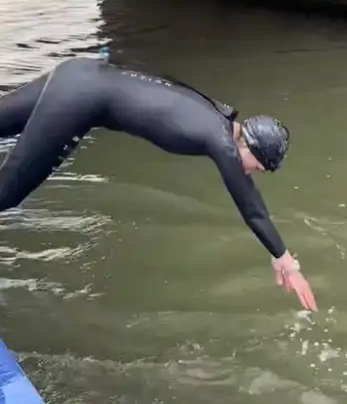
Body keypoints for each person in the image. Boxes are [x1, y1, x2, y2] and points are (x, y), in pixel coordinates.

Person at [0, 57, 317, 311]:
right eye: (258, 167)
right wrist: (284, 260)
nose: (252, 174)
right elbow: (251, 207)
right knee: (8, 192)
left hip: (79, 71)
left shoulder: (218, 115)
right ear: (248, 146)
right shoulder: (219, 141)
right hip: (78, 100)